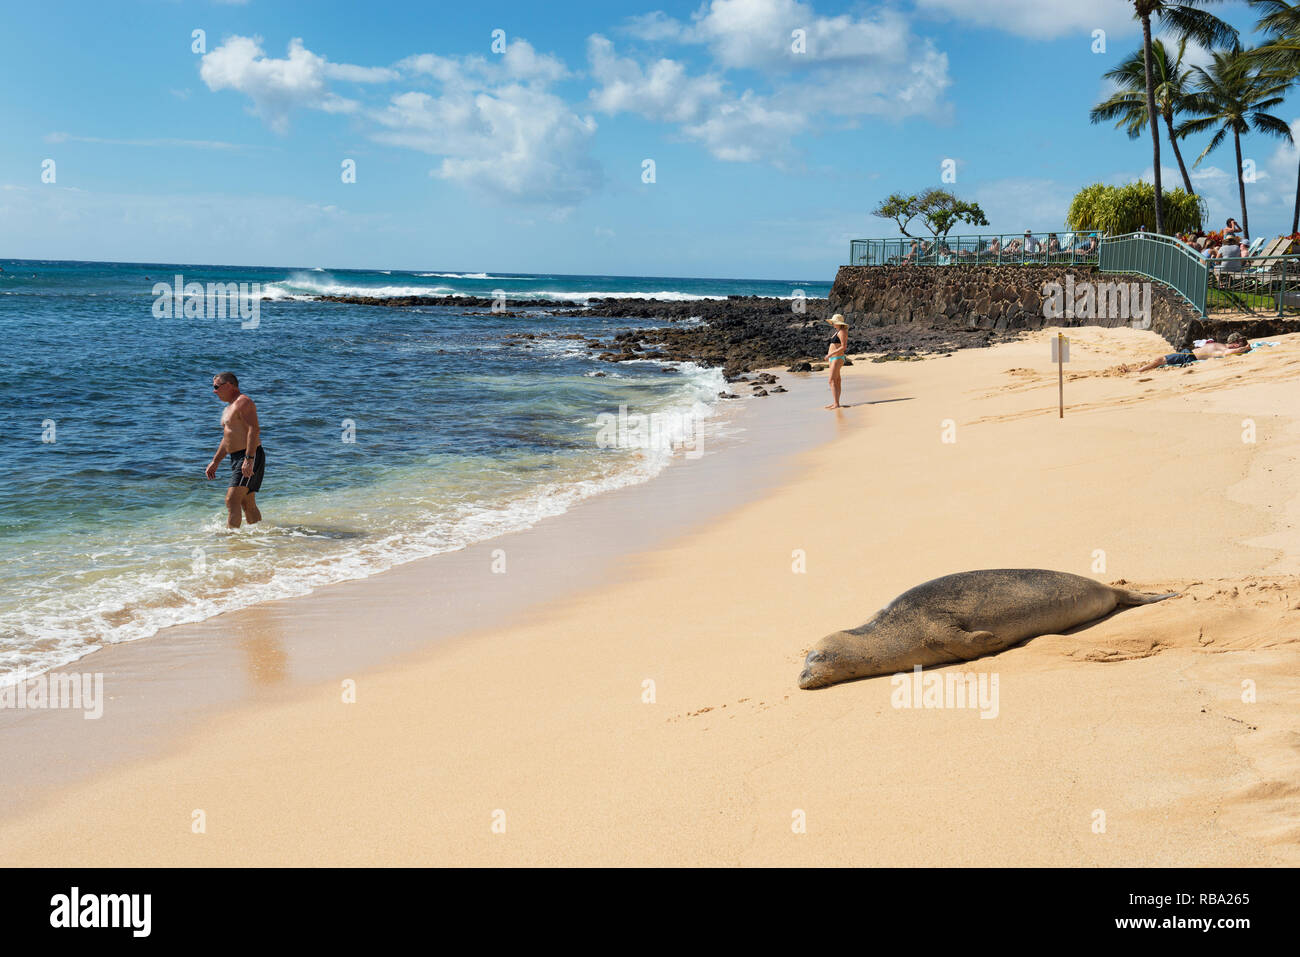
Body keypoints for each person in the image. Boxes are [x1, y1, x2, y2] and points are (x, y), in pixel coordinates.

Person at [204, 371, 264, 528]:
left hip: (249, 455)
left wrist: (249, 459)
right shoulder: (228, 408)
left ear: (229, 385)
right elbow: (227, 438)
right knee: (246, 502)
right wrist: (215, 461)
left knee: (232, 500)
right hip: (237, 457)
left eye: (216, 387)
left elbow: (254, 429)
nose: (214, 391)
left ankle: (232, 542)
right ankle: (260, 537)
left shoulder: (243, 402)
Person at [1123, 333, 1250, 373]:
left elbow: (1230, 353)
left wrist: (1245, 348)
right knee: (1160, 360)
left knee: (1159, 360)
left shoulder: (1223, 349)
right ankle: (1139, 369)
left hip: (1189, 357)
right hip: (1188, 353)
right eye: (1240, 341)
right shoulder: (1222, 345)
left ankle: (1136, 371)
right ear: (1233, 342)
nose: (1242, 342)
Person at [824, 314, 849, 409]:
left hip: (837, 358)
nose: (833, 323)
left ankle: (836, 403)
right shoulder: (837, 331)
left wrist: (830, 354)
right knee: (837, 381)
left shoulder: (842, 331)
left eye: (834, 322)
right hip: (833, 358)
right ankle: (836, 402)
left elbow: (843, 347)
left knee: (831, 380)